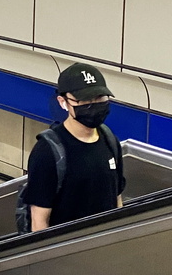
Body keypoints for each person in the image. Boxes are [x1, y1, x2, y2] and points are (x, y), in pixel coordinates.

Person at [17, 62, 125, 233]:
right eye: (84, 100)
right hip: (69, 246)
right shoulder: (48, 151)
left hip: (105, 242)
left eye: (100, 98)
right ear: (63, 102)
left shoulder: (109, 140)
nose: (93, 105)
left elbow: (117, 198)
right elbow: (39, 221)